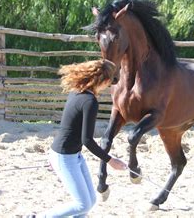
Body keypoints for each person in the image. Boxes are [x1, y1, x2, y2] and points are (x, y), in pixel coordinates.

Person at [38, 59, 127, 218]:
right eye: (110, 81)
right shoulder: (90, 101)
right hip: (63, 157)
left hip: (73, 156)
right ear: (104, 80)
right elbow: (87, 140)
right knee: (82, 204)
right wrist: (110, 160)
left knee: (90, 202)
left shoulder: (77, 91)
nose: (109, 85)